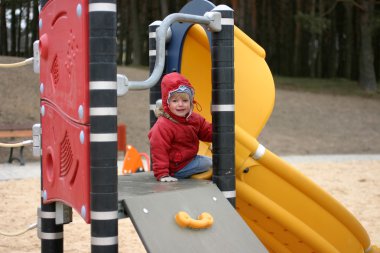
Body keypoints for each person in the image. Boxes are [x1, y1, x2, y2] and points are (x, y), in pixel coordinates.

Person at [148, 72, 212, 182]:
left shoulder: (194, 119)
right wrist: (163, 174)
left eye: (185, 100)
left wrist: (220, 133)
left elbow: (207, 132)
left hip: (189, 160)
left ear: (191, 102)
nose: (180, 104)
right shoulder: (163, 125)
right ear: (167, 103)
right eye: (175, 101)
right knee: (211, 163)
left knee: (213, 162)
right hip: (175, 168)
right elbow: (159, 150)